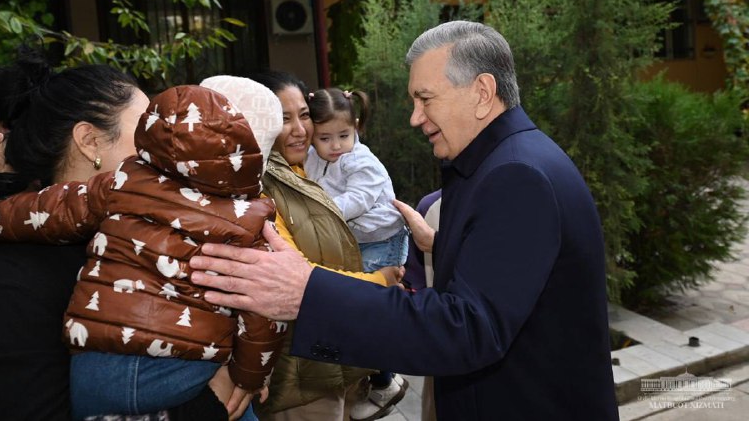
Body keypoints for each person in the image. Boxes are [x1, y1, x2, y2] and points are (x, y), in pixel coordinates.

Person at [187, 21, 619, 420]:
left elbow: (467, 329)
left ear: (483, 92)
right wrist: (445, 246)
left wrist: (308, 292)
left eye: (425, 99)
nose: (415, 117)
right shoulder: (510, 161)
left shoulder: (516, 175)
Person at [0, 81, 289, 420]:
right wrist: (232, 387)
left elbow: (41, 210)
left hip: (97, 377)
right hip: (186, 378)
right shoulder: (6, 285)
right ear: (89, 142)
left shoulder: (118, 188)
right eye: (145, 126)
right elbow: (265, 311)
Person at [232, 71, 403, 421]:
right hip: (300, 379)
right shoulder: (263, 188)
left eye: (304, 115)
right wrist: (381, 282)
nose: (299, 128)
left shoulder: (309, 167)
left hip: (328, 363)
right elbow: (298, 276)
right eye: (283, 118)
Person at [304, 87, 409, 421]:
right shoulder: (313, 156)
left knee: (364, 309)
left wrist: (319, 212)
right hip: (357, 240)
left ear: (357, 128)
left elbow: (357, 201)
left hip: (382, 240)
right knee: (355, 307)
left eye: (344, 135)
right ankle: (376, 376)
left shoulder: (361, 160)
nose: (335, 145)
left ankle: (385, 380)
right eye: (325, 138)